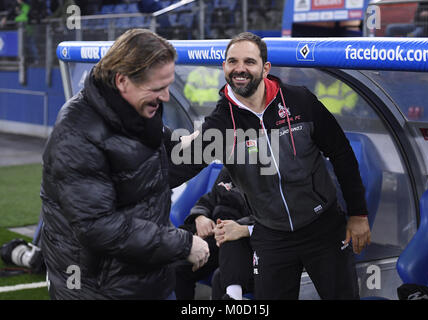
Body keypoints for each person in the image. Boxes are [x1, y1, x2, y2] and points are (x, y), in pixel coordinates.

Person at [170, 32, 371, 299]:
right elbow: (181, 168)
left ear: (265, 68)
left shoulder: (299, 101)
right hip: (271, 235)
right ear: (224, 67)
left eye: (249, 62)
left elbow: (341, 153)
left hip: (322, 226)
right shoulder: (220, 123)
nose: (240, 69)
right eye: (232, 61)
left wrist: (358, 214)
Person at [40, 29, 209, 300]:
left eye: (168, 86)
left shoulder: (139, 108)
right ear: (122, 81)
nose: (165, 96)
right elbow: (98, 227)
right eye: (157, 88)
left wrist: (215, 140)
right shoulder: (75, 135)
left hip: (147, 276)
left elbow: (161, 166)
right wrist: (182, 244)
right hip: (98, 289)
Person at [175, 167, 254, 300]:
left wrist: (237, 226)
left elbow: (270, 215)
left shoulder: (266, 172)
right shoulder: (229, 169)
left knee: (221, 276)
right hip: (217, 237)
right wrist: (200, 217)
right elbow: (209, 199)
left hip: (247, 241)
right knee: (179, 267)